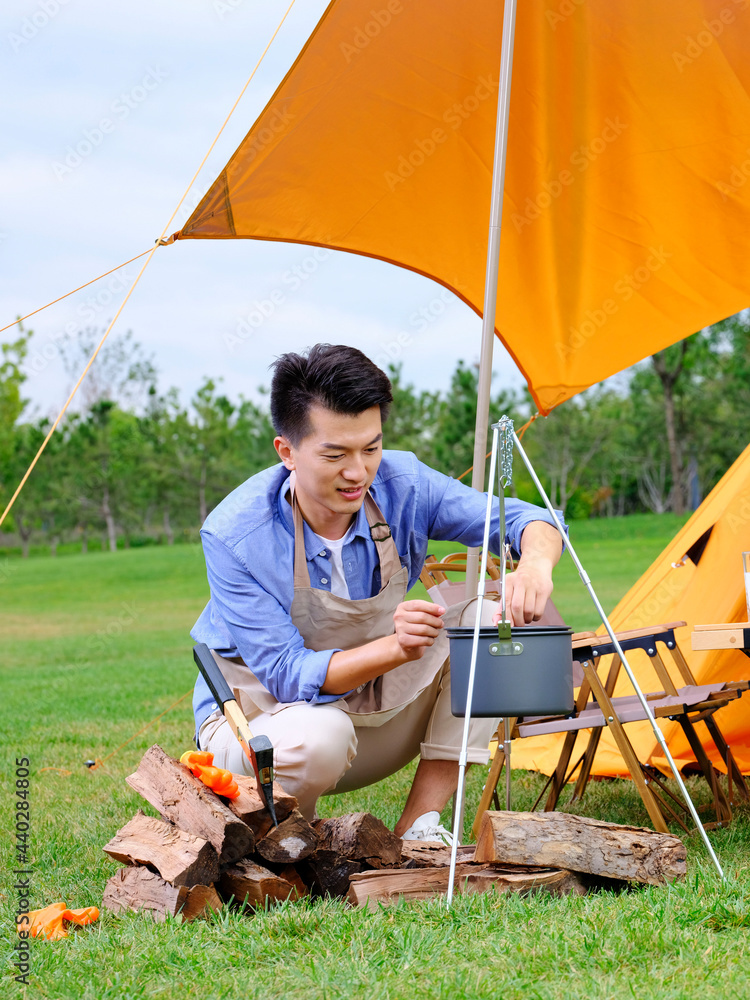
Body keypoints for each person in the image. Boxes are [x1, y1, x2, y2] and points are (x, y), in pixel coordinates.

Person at [191, 344, 564, 844]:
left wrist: (536, 563)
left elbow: (525, 518)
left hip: (368, 715)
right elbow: (286, 677)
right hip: (263, 733)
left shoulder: (403, 482)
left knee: (488, 623)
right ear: (286, 452)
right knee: (318, 734)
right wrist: (396, 647)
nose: (357, 471)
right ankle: (288, 841)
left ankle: (418, 829)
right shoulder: (236, 534)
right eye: (335, 454)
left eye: (370, 448)